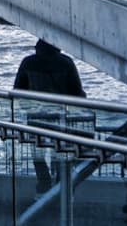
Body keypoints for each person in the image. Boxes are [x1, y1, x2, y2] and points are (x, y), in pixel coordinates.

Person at [13, 39, 85, 193]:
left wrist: (26, 106)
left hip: (35, 115)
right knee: (59, 150)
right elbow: (78, 93)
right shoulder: (66, 63)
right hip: (60, 116)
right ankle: (61, 183)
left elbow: (18, 90)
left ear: (38, 48)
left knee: (37, 150)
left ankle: (43, 182)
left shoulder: (28, 63)